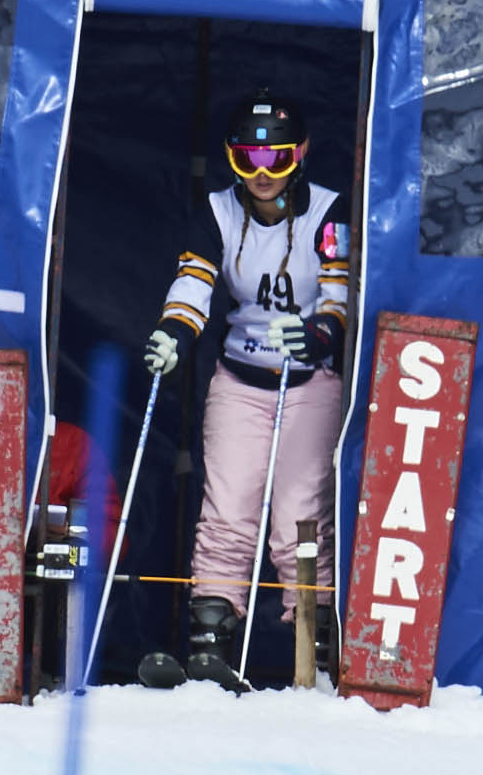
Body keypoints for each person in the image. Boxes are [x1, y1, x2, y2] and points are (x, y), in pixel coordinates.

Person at [138, 97, 351, 691]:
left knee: (299, 519)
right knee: (227, 512)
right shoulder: (217, 210)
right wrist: (174, 332)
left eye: (276, 159)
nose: (262, 173)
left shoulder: (329, 211)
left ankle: (316, 655)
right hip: (239, 380)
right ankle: (210, 649)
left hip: (309, 383)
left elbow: (339, 295)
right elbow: (194, 280)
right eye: (248, 158)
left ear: (299, 156)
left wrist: (319, 333)